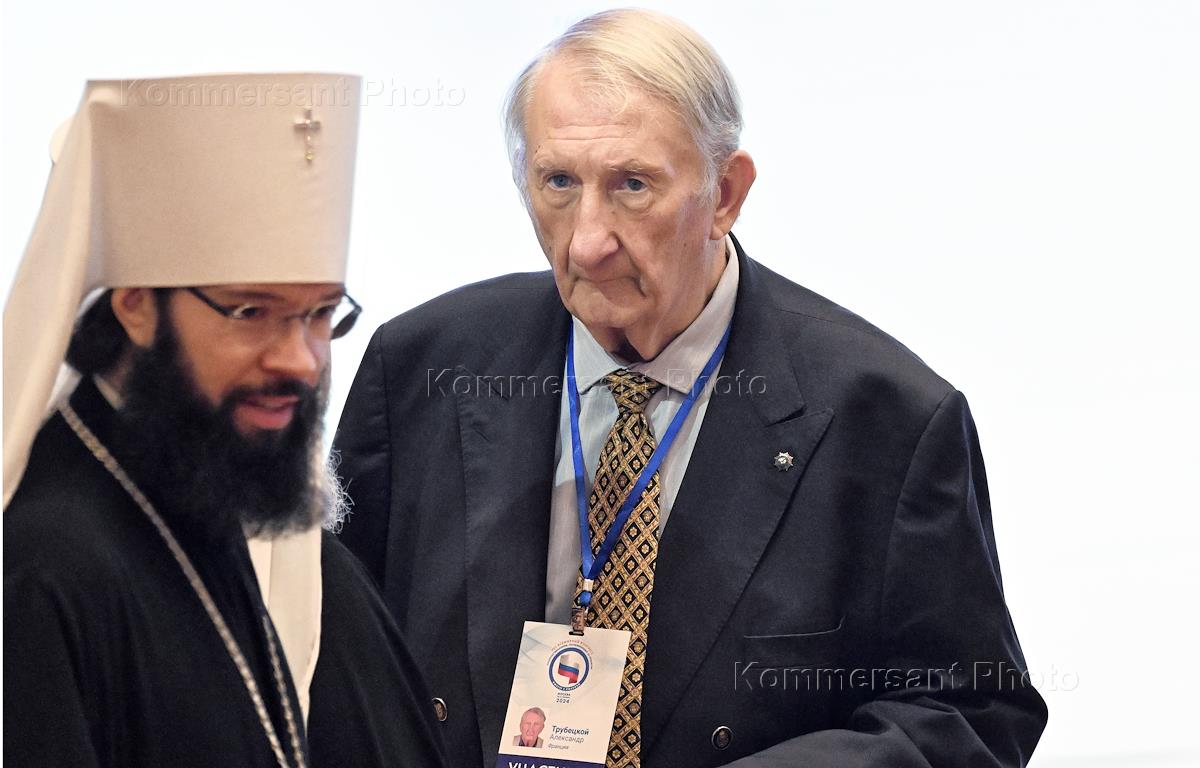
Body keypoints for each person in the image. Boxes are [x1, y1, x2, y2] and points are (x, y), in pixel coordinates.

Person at [332, 9, 1048, 768]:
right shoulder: (422, 372)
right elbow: (324, 661)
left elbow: (970, 710)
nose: (588, 242)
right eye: (559, 182)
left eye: (633, 185)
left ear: (726, 193)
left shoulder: (887, 418)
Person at [3, 74, 446, 768]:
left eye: (321, 314)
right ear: (136, 304)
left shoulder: (205, 483)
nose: (300, 361)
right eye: (250, 312)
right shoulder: (39, 564)